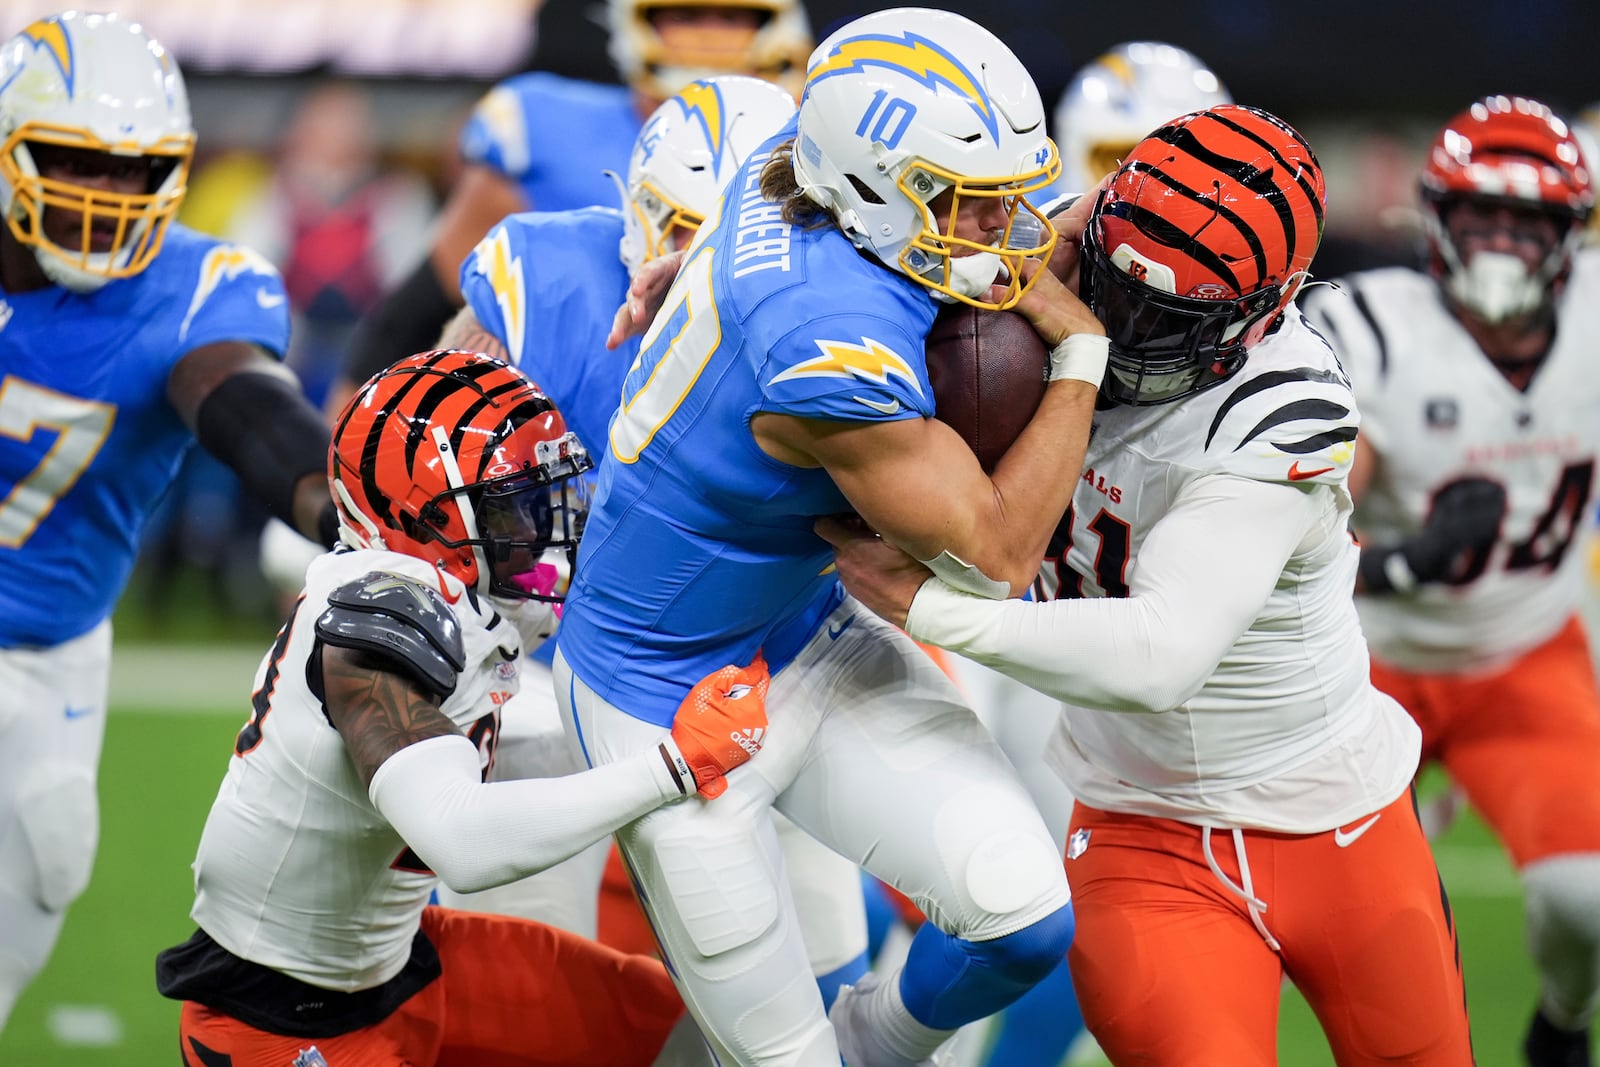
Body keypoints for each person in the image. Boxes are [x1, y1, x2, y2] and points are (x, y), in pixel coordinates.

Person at [820, 104, 1476, 1066]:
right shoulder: (1044, 261)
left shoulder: (1286, 403)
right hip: (1142, 826)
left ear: (1266, 312)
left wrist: (927, 606)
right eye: (1115, 282)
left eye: (1167, 315)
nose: (1121, 324)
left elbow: (1163, 654)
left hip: (1341, 817)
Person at [554, 8, 1111, 1064]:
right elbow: (994, 557)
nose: (997, 230)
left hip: (802, 627)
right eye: (967, 202)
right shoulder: (824, 339)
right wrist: (1076, 353)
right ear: (867, 182)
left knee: (1025, 917)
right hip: (660, 695)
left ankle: (874, 1042)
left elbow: (746, 248)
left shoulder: (793, 165)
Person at [156, 349, 771, 1067]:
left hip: (404, 963)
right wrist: (676, 765)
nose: (540, 521)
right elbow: (461, 841)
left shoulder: (452, 579)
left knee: (699, 1028)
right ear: (428, 515)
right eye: (513, 501)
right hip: (278, 1022)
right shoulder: (372, 632)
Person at [444, 75, 872, 1008]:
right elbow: (432, 472)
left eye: (733, 239)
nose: (703, 269)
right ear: (633, 213)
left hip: (763, 670)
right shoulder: (542, 285)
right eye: (686, 232)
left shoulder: (833, 324)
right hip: (551, 674)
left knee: (821, 983)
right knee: (511, 981)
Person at [0, 12, 339, 1031]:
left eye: (130, 171)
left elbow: (243, 404)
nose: (98, 197)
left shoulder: (192, 289)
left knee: (27, 897)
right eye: (69, 161)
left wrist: (337, 502)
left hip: (40, 657)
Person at [1301, 94, 1600, 1067]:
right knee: (1355, 929)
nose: (1504, 244)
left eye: (1527, 222)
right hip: (1367, 665)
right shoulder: (1375, 329)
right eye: (1484, 217)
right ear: (1436, 218)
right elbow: (1291, 541)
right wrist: (1400, 559)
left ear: (1570, 235)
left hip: (1524, 653)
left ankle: (1559, 1020)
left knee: (1583, 903)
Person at [334, 0, 812, 412]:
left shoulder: (811, 135)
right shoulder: (546, 129)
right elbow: (410, 318)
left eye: (732, 18)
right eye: (686, 15)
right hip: (576, 436)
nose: (709, 37)